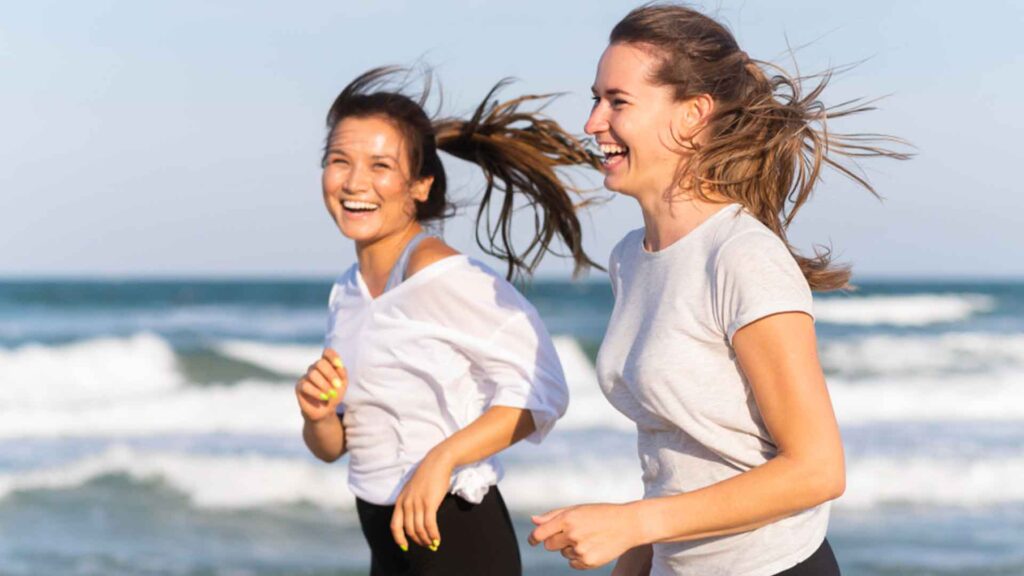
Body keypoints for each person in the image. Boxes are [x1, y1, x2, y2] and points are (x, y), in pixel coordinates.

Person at [528, 5, 908, 576]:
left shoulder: (741, 256)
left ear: (693, 115)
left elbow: (818, 469)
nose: (592, 123)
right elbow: (672, 450)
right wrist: (636, 557)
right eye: (595, 98)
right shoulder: (631, 256)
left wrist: (631, 522)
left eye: (617, 101)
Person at [294, 67, 601, 576]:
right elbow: (335, 449)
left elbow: (544, 391)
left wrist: (442, 460)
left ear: (419, 185)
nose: (354, 182)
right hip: (383, 539)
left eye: (380, 166)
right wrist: (317, 415)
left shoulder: (445, 277)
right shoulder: (347, 291)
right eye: (339, 161)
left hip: (455, 534)